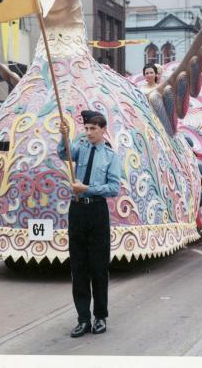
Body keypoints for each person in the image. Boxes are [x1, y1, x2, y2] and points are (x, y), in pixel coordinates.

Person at [58, 110, 122, 338]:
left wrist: (88, 189)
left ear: (103, 130)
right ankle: (83, 318)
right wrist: (63, 135)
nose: (89, 132)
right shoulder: (81, 148)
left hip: (97, 211)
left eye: (93, 129)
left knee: (98, 267)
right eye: (86, 128)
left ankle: (100, 317)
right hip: (77, 210)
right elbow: (63, 153)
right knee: (79, 267)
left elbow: (114, 188)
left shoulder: (111, 157)